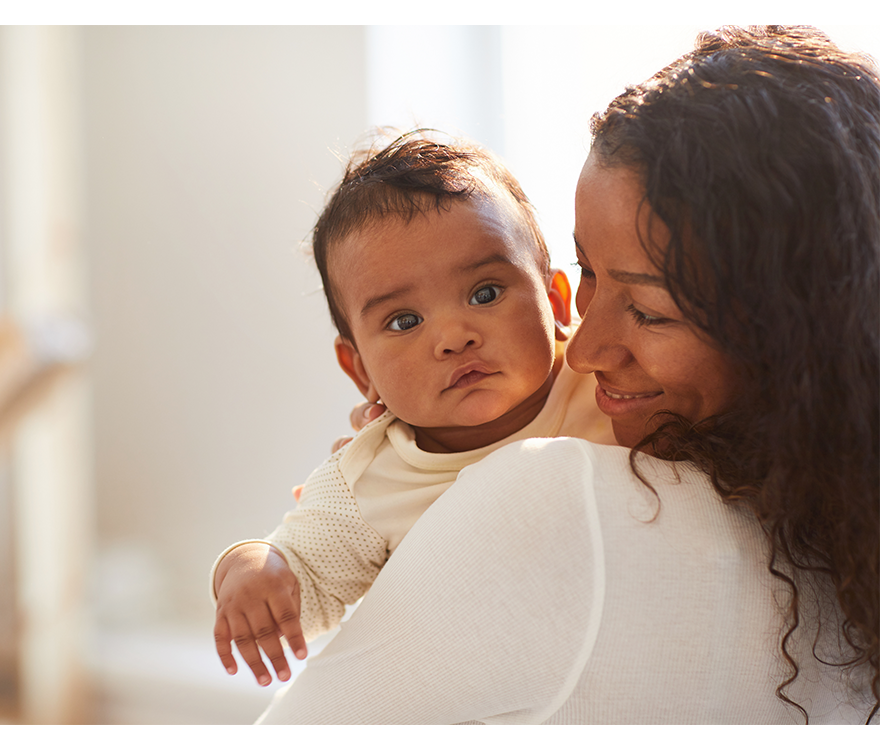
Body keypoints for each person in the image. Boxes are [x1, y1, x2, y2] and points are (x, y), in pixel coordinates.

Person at [255, 26, 879, 724]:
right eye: (588, 273)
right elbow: (305, 571)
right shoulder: (844, 536)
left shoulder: (550, 493)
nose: (580, 349)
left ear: (792, 333)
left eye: (647, 309)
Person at [211, 132, 616, 686]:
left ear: (556, 302)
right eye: (404, 321)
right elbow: (306, 581)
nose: (453, 337)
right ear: (361, 372)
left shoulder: (607, 381)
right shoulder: (369, 476)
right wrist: (250, 566)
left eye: (485, 293)